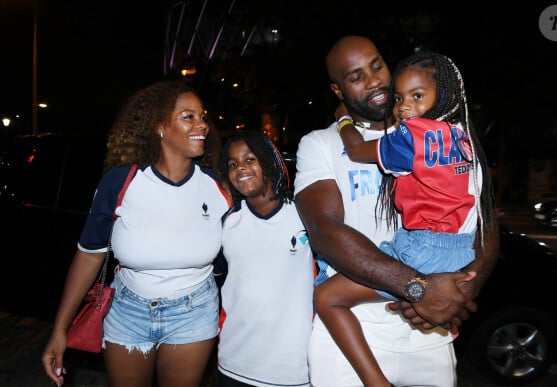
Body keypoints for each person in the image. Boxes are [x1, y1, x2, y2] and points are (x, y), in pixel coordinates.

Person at [294, 35, 499, 386]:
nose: (374, 80)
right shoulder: (319, 145)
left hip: (429, 333)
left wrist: (464, 289)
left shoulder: (433, 130)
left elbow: (486, 221)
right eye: (356, 76)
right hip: (352, 336)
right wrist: (418, 288)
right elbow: (326, 233)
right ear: (338, 90)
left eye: (377, 66)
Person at [41, 79, 232, 387]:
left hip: (194, 311)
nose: (203, 125)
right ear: (159, 127)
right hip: (128, 310)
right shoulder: (121, 181)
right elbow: (89, 255)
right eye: (188, 116)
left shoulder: (217, 186)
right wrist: (60, 329)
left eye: (203, 115)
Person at [214, 131, 314, 386]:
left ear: (269, 162)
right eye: (233, 164)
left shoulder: (305, 213)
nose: (241, 169)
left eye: (250, 159)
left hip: (293, 367)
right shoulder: (227, 222)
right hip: (235, 362)